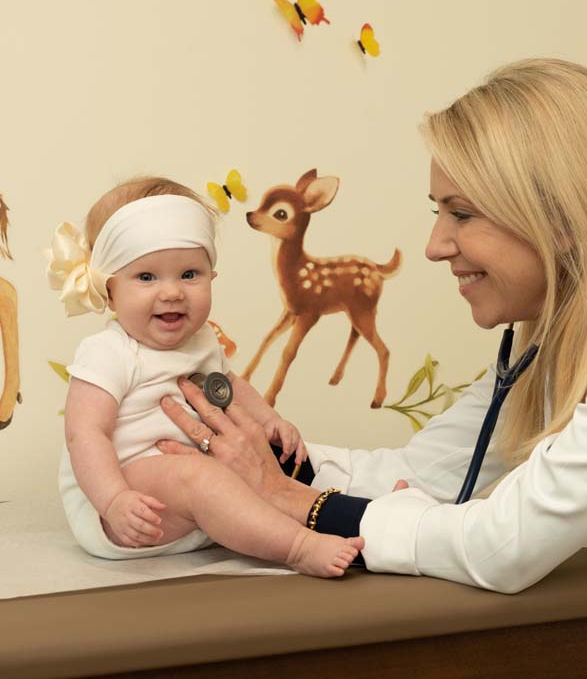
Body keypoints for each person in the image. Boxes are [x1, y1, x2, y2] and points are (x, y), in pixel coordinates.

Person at [157, 59, 587, 679]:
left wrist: (296, 506)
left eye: (462, 213)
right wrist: (264, 459)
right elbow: (432, 472)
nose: (434, 244)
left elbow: (509, 545)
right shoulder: (563, 325)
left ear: (555, 214)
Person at [46, 177, 363, 576]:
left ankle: (373, 508)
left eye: (189, 274)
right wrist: (114, 499)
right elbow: (84, 434)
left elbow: (231, 388)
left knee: (275, 463)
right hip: (127, 500)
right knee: (202, 475)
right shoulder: (108, 352)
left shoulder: (201, 340)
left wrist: (271, 421)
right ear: (109, 291)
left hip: (194, 497)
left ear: (212, 275)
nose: (172, 292)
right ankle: (298, 547)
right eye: (147, 277)